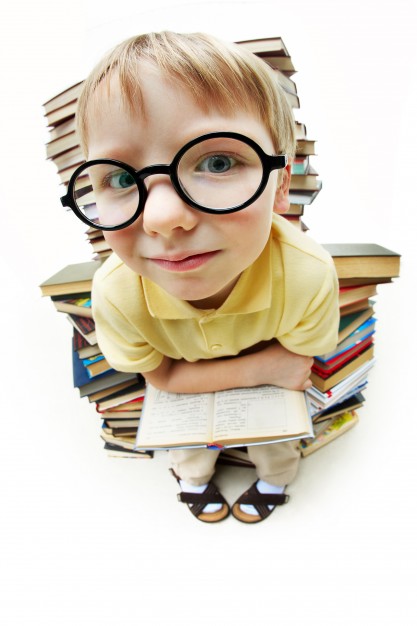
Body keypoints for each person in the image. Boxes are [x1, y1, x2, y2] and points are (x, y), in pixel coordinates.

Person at [62, 31, 340, 523]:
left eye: (217, 162)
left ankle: (274, 481)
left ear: (280, 183)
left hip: (261, 394)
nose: (163, 217)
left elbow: (295, 369)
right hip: (213, 382)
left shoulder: (306, 272)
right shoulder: (117, 292)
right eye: (122, 179)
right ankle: (194, 481)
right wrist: (262, 368)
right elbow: (161, 378)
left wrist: (198, 378)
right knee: (186, 449)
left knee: (276, 445)